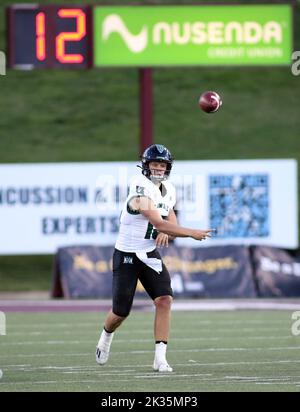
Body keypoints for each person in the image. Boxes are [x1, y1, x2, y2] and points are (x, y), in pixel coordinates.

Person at [95, 144, 212, 372]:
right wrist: (191, 233)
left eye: (162, 165)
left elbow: (169, 219)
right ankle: (105, 337)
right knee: (120, 312)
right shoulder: (139, 188)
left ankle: (160, 358)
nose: (159, 168)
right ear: (146, 165)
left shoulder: (168, 188)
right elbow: (158, 222)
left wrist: (168, 230)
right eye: (155, 164)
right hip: (127, 255)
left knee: (164, 299)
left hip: (149, 254)